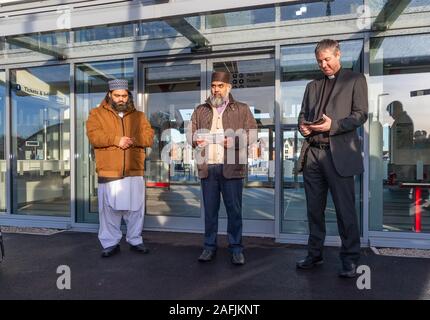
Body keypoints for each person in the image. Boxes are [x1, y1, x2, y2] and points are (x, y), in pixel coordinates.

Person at [296, 39, 368, 278]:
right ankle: (314, 254)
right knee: (313, 210)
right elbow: (303, 115)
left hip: (339, 154)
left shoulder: (355, 79)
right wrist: (303, 127)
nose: (323, 65)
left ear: (338, 55)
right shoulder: (312, 86)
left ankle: (350, 259)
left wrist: (333, 125)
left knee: (344, 210)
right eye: (319, 61)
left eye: (327, 59)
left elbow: (360, 115)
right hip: (313, 153)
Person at [189, 71, 257, 265]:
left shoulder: (242, 109)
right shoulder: (200, 110)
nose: (216, 89)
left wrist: (234, 140)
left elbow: (252, 134)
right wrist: (196, 140)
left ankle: (236, 248)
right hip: (208, 168)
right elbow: (190, 133)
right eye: (213, 86)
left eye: (220, 85)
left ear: (228, 87)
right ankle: (209, 247)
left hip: (232, 168)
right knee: (210, 211)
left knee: (234, 211)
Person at [86, 79, 154, 257]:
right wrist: (117, 140)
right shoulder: (96, 114)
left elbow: (149, 137)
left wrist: (131, 140)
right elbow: (95, 137)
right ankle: (110, 243)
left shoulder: (139, 116)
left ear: (128, 96)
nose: (121, 99)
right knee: (109, 210)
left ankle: (135, 239)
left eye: (124, 96)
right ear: (110, 95)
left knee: (135, 208)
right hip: (109, 170)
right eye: (117, 96)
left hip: (134, 169)